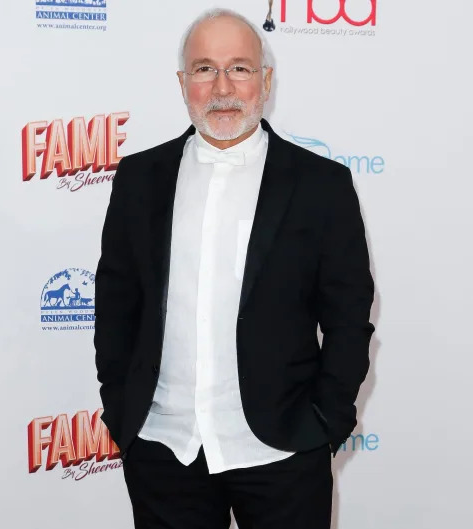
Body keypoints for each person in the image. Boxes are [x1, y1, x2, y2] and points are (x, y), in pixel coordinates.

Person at [94, 8, 374, 529]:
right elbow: (115, 304)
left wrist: (325, 423)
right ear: (183, 83)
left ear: (264, 81)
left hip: (283, 451)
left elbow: (348, 318)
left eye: (240, 68)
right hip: (163, 449)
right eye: (204, 69)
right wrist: (120, 409)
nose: (223, 86)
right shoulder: (138, 179)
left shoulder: (321, 185)